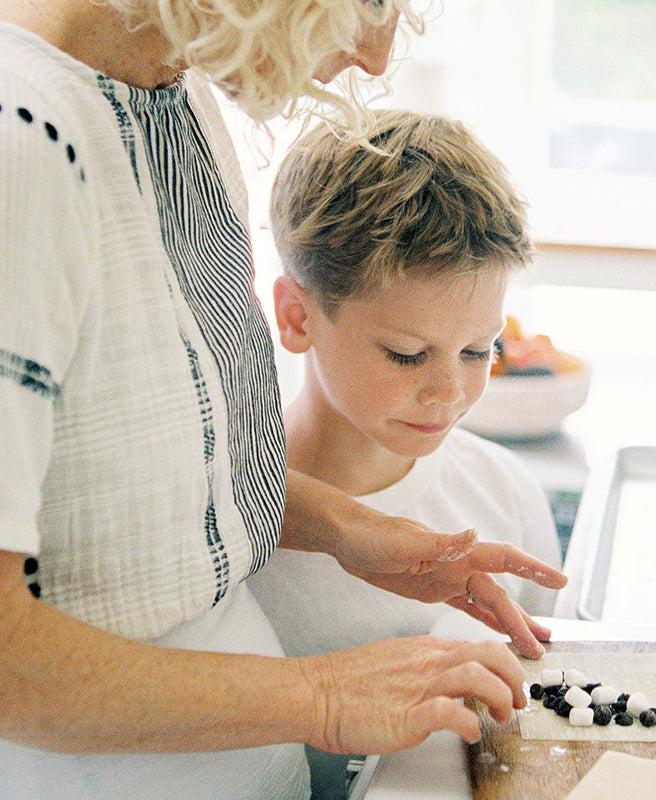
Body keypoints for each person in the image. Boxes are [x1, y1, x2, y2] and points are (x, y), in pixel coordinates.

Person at [0, 1, 567, 798]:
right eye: (372, 3)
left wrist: (346, 529)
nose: (376, 56)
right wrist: (326, 697)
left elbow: (137, 481)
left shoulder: (178, 97)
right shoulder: (20, 142)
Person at [250, 108, 563, 799]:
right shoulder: (230, 517)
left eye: (481, 349)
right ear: (297, 317)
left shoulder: (504, 495)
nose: (448, 391)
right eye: (407, 353)